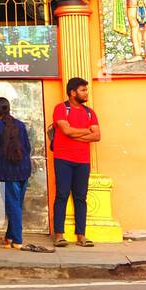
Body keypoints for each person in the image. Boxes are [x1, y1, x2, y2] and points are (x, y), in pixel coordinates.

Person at [50, 76, 101, 247]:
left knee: (81, 197)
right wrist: (85, 132)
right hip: (63, 159)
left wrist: (74, 134)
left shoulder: (90, 112)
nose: (86, 93)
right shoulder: (61, 109)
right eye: (83, 90)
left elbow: (97, 135)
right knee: (62, 195)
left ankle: (81, 235)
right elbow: (66, 130)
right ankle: (59, 234)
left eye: (86, 89)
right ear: (72, 92)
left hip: (82, 161)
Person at [0, 98, 32, 250]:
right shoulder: (20, 125)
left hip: (7, 172)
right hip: (24, 170)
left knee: (12, 206)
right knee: (16, 205)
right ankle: (9, 237)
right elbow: (28, 148)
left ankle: (17, 241)